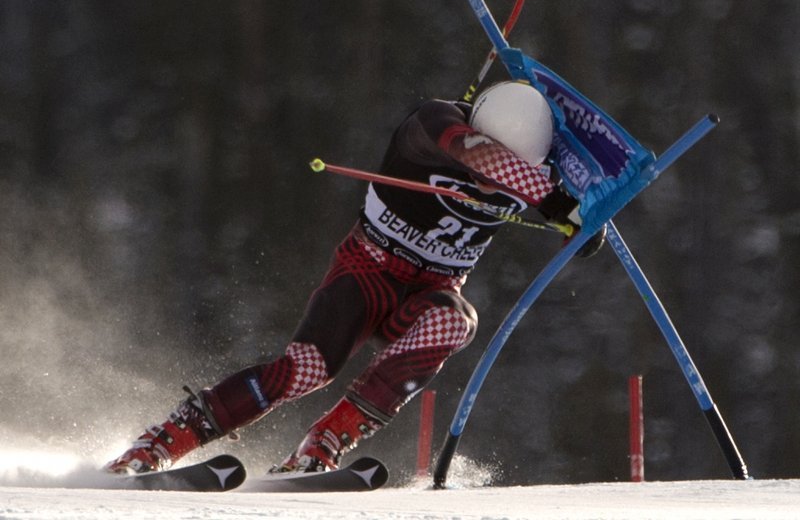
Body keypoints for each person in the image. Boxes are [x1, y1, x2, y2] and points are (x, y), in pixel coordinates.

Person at [105, 80, 605, 475]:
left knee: (454, 323)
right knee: (305, 370)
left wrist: (582, 228)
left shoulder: (536, 169)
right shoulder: (434, 122)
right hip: (369, 271)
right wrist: (552, 200)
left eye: (513, 176)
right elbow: (477, 154)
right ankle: (168, 439)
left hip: (433, 292)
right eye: (492, 175)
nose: (489, 186)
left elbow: (570, 215)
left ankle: (325, 440)